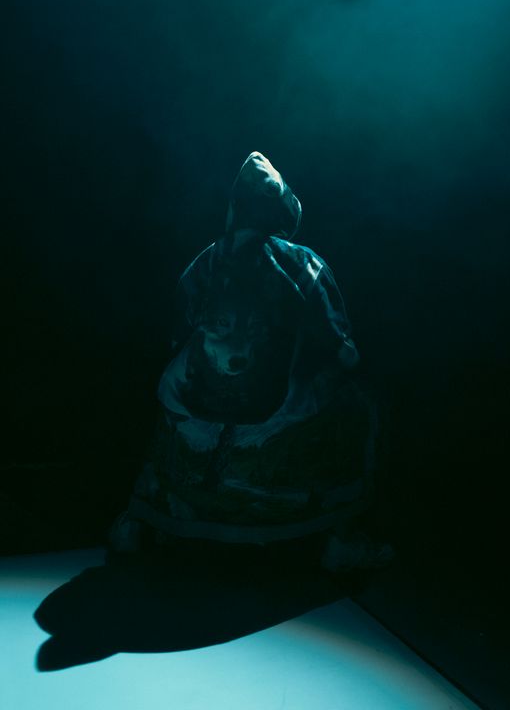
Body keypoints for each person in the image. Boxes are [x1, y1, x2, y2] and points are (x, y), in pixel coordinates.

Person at [109, 152, 392, 571]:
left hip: (196, 398)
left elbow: (177, 329)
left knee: (169, 387)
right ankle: (339, 539)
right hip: (280, 406)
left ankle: (136, 523)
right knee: (359, 402)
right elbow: (341, 346)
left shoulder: (206, 260)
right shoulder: (304, 263)